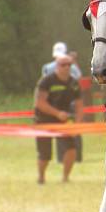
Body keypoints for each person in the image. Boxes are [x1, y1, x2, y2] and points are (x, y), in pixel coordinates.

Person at [34, 54, 84, 183]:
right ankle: (41, 177)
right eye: (63, 64)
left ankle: (65, 178)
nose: (67, 67)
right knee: (45, 154)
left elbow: (79, 105)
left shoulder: (74, 83)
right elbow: (40, 103)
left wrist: (77, 125)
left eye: (69, 64)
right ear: (57, 66)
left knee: (72, 150)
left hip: (63, 121)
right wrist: (57, 113)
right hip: (43, 120)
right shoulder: (46, 81)